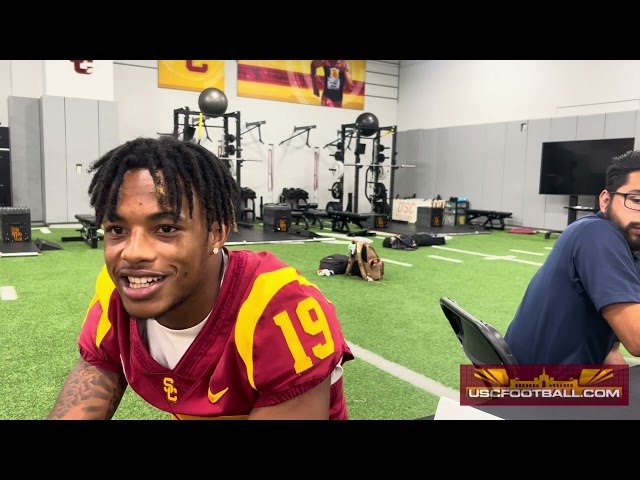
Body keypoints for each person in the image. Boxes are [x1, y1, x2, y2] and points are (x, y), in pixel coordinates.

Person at [48, 136, 354, 420]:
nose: (133, 253)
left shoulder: (279, 309)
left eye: (166, 228)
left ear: (217, 233)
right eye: (117, 229)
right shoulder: (116, 291)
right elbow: (90, 385)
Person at [504, 150, 640, 365]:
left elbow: (611, 351)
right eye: (636, 200)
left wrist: (622, 391)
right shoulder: (596, 234)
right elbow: (637, 339)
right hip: (536, 387)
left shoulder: (631, 253)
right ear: (605, 200)